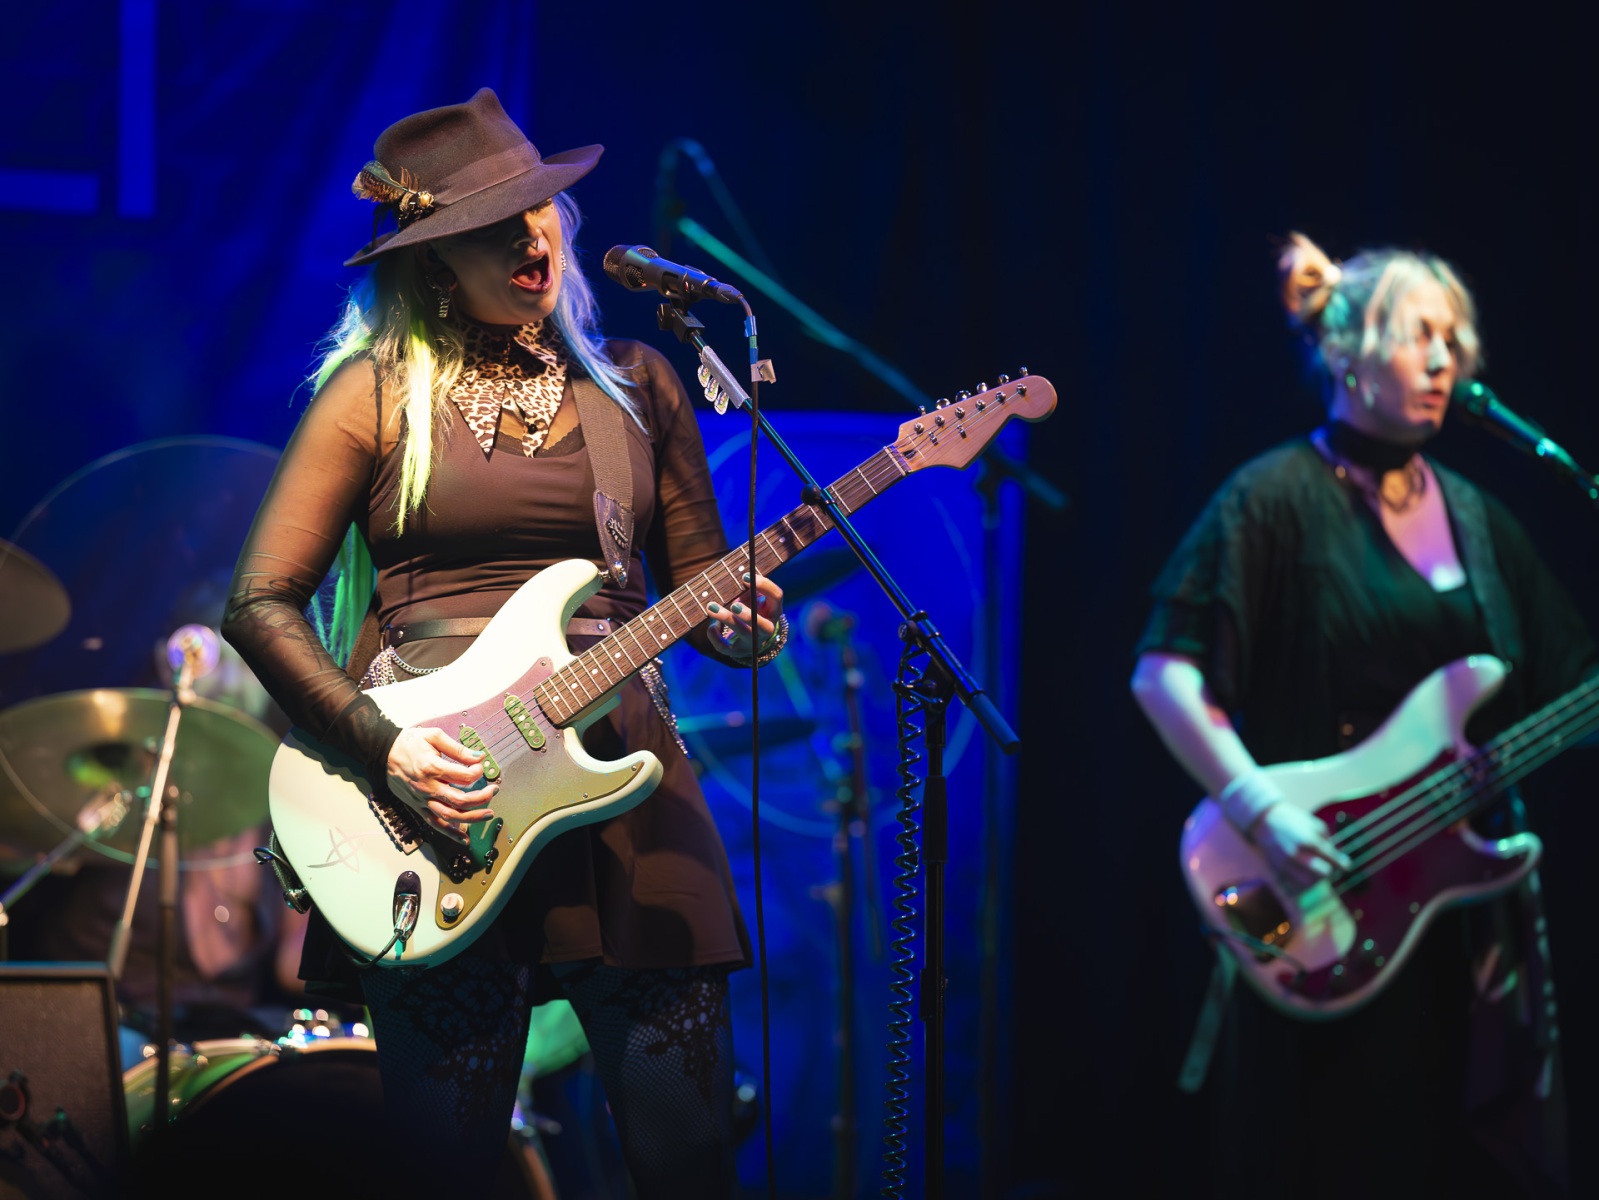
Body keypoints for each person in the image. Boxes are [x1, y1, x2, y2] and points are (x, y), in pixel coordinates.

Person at [221, 88, 786, 1196]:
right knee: (449, 1170)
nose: (532, 237)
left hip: (622, 778)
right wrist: (383, 744)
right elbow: (260, 603)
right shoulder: (373, 394)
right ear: (434, 257)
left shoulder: (636, 383)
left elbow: (702, 594)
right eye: (493, 224)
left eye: (539, 210)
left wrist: (743, 631)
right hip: (443, 794)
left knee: (690, 1161)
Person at [1130, 232, 1595, 1197]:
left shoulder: (1476, 518)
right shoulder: (1271, 499)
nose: (1443, 360)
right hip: (1309, 893)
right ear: (1345, 353)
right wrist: (1260, 810)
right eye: (1419, 335)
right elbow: (1163, 677)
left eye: (1454, 341)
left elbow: (1568, 683)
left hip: (1452, 926)